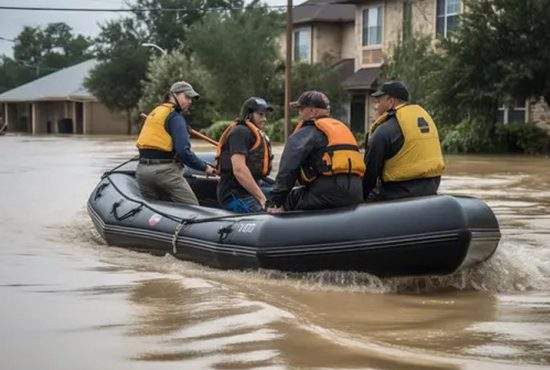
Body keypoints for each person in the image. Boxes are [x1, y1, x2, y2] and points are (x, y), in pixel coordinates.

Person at [266, 91, 365, 213]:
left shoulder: (308, 132)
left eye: (301, 109)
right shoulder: (343, 129)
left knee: (290, 198)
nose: (299, 113)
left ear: (313, 111)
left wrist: (275, 201)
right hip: (356, 192)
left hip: (329, 193)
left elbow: (288, 169)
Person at [135, 81, 216, 204]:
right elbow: (183, 152)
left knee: (156, 209)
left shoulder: (156, 111)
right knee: (193, 208)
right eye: (187, 97)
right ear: (173, 95)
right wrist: (205, 168)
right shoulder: (175, 118)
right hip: (164, 173)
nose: (190, 101)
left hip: (142, 172)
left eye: (191, 98)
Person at [363, 81, 445, 201]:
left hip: (399, 192)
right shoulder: (424, 120)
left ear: (391, 102)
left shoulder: (383, 131)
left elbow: (369, 176)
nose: (375, 106)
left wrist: (359, 200)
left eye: (378, 102)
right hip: (431, 188)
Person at [215, 98, 274, 213]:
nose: (264, 119)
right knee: (267, 216)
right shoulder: (240, 132)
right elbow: (239, 170)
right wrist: (262, 199)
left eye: (265, 115)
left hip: (250, 191)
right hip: (235, 195)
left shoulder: (253, 133)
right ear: (249, 115)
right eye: (260, 115)